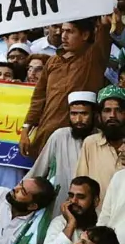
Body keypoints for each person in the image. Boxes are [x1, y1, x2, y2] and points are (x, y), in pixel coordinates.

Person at [21, 17, 116, 159]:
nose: (63, 35)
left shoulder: (93, 57)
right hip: (46, 135)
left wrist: (104, 22)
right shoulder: (52, 61)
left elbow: (103, 35)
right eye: (63, 30)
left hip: (80, 137)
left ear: (85, 35)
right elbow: (38, 99)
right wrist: (25, 129)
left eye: (70, 31)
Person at [28, 91, 98, 213]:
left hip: (93, 207)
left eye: (84, 114)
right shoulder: (60, 136)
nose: (78, 119)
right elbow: (39, 170)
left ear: (94, 114)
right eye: (74, 114)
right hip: (60, 206)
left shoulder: (101, 138)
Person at [75, 84, 125, 198]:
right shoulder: (91, 143)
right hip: (98, 214)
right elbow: (81, 185)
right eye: (107, 110)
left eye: (118, 110)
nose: (112, 115)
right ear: (99, 116)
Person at [44, 176, 100, 244]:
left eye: (80, 197)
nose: (73, 201)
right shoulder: (60, 222)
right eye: (71, 195)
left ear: (95, 201)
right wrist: (71, 224)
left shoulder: (104, 223)